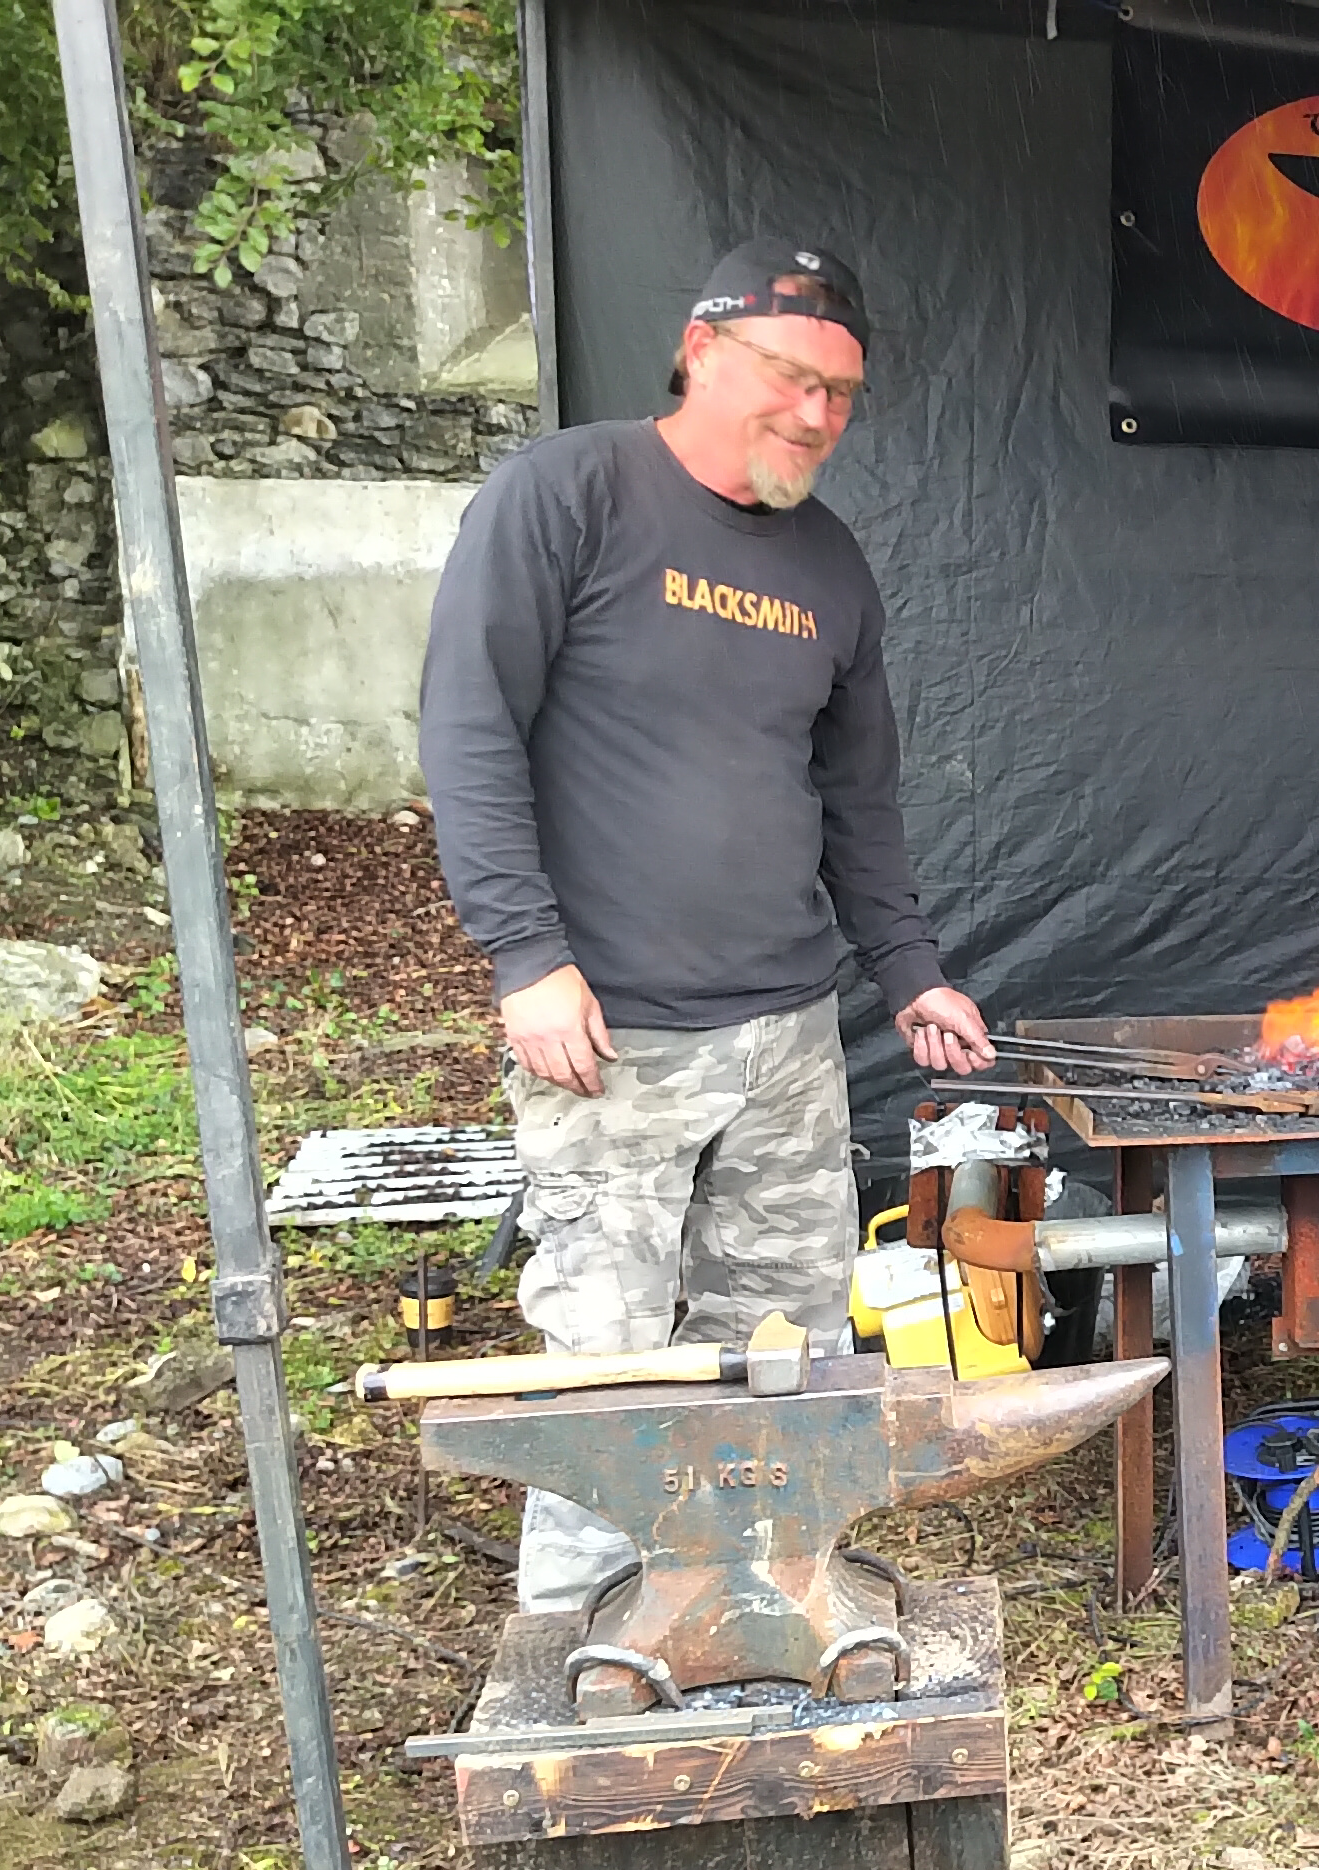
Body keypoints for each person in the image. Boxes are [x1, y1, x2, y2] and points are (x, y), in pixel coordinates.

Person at [418, 240, 995, 1614]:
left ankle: (761, 1602)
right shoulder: (569, 494)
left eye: (841, 395)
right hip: (610, 1030)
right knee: (604, 1359)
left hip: (788, 1036)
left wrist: (908, 970)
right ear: (701, 350)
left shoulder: (830, 564)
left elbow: (857, 799)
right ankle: (583, 1644)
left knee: (785, 1342)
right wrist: (526, 957)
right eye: (790, 377)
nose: (815, 414)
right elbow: (469, 727)